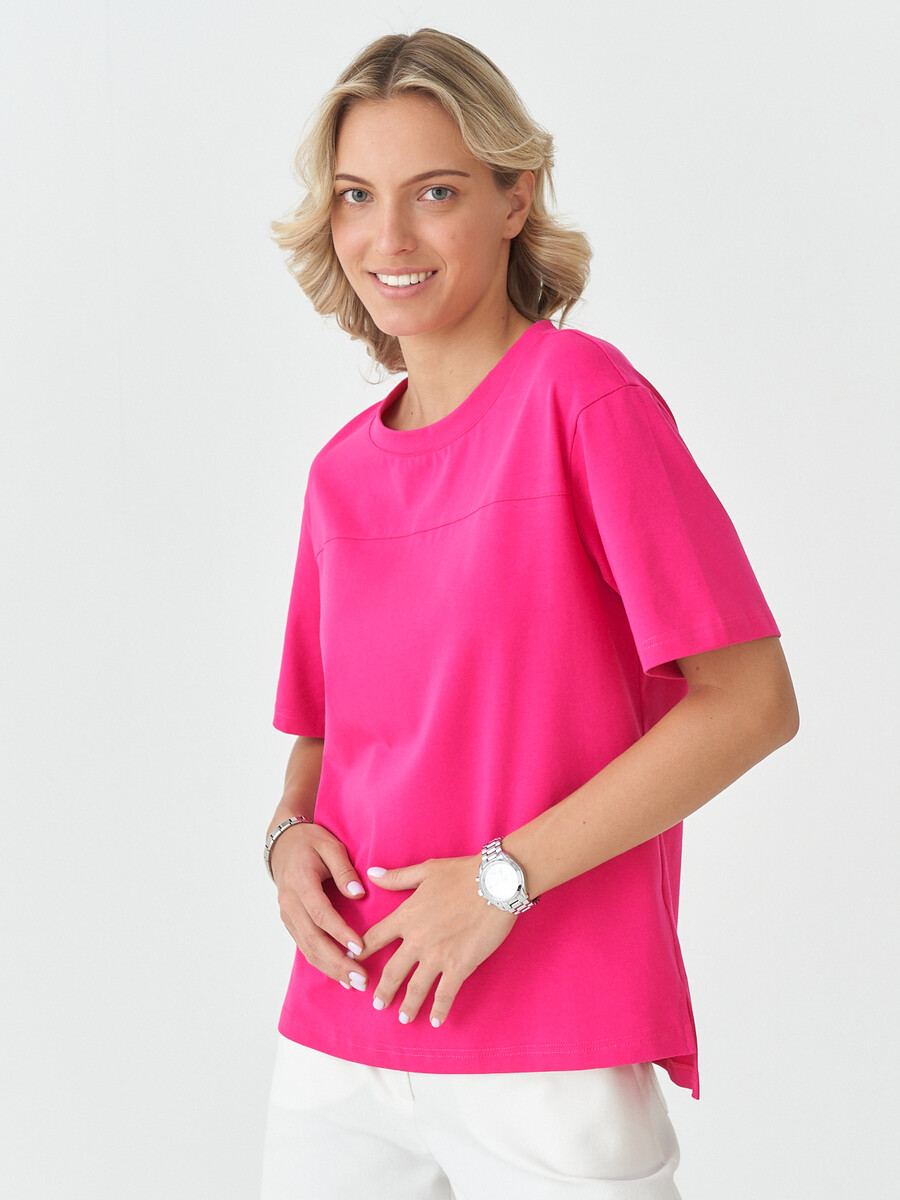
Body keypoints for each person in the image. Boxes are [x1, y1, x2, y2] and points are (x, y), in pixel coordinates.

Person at [260, 28, 799, 1200]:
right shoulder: (338, 474)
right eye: (356, 196)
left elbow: (751, 702)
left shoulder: (582, 400)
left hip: (546, 1047)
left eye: (435, 192)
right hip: (340, 1038)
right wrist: (285, 840)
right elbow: (325, 738)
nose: (389, 240)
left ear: (515, 198)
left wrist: (497, 882)